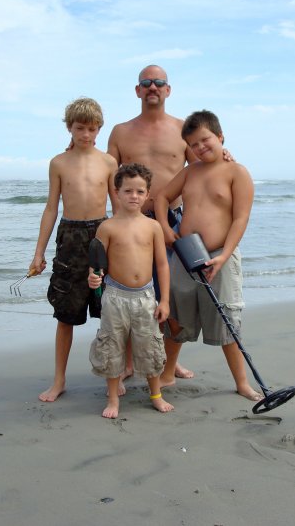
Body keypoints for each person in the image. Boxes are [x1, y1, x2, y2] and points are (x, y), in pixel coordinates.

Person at [155, 110, 264, 403]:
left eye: (205, 140)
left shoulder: (236, 171)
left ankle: (242, 382)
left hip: (220, 256)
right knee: (177, 316)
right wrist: (166, 228)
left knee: (227, 319)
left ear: (220, 136)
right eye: (194, 144)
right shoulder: (190, 171)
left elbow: (240, 219)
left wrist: (224, 257)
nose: (201, 148)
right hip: (186, 253)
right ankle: (167, 374)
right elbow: (162, 197)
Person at [107, 64, 197, 386]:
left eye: (159, 83)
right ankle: (132, 361)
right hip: (133, 220)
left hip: (173, 221)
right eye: (146, 83)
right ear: (137, 90)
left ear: (168, 90)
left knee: (173, 293)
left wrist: (223, 153)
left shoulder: (184, 128)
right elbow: (109, 174)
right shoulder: (120, 131)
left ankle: (169, 362)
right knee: (134, 291)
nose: (153, 87)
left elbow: (201, 165)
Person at [30, 97, 117, 402]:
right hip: (69, 236)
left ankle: (113, 375)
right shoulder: (58, 162)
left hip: (101, 234)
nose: (86, 135)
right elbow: (51, 208)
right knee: (65, 313)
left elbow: (118, 208)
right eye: (80, 128)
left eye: (92, 129)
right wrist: (39, 253)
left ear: (99, 129)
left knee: (110, 310)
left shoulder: (107, 161)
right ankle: (59, 380)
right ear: (69, 127)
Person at [88, 163, 174, 419]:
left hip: (146, 297)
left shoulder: (153, 226)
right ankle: (113, 398)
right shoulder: (107, 227)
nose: (133, 196)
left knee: (150, 346)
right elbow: (96, 264)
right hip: (115, 296)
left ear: (148, 194)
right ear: (116, 192)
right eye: (128, 191)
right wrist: (93, 279)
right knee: (111, 346)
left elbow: (162, 264)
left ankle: (156, 395)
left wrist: (165, 300)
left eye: (139, 191)